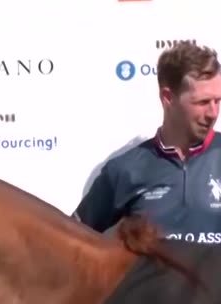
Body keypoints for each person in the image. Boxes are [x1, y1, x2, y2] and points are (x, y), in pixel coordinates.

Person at [73, 41, 221, 239]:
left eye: (218, 101)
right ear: (168, 97)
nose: (213, 112)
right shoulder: (124, 170)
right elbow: (75, 243)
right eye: (202, 102)